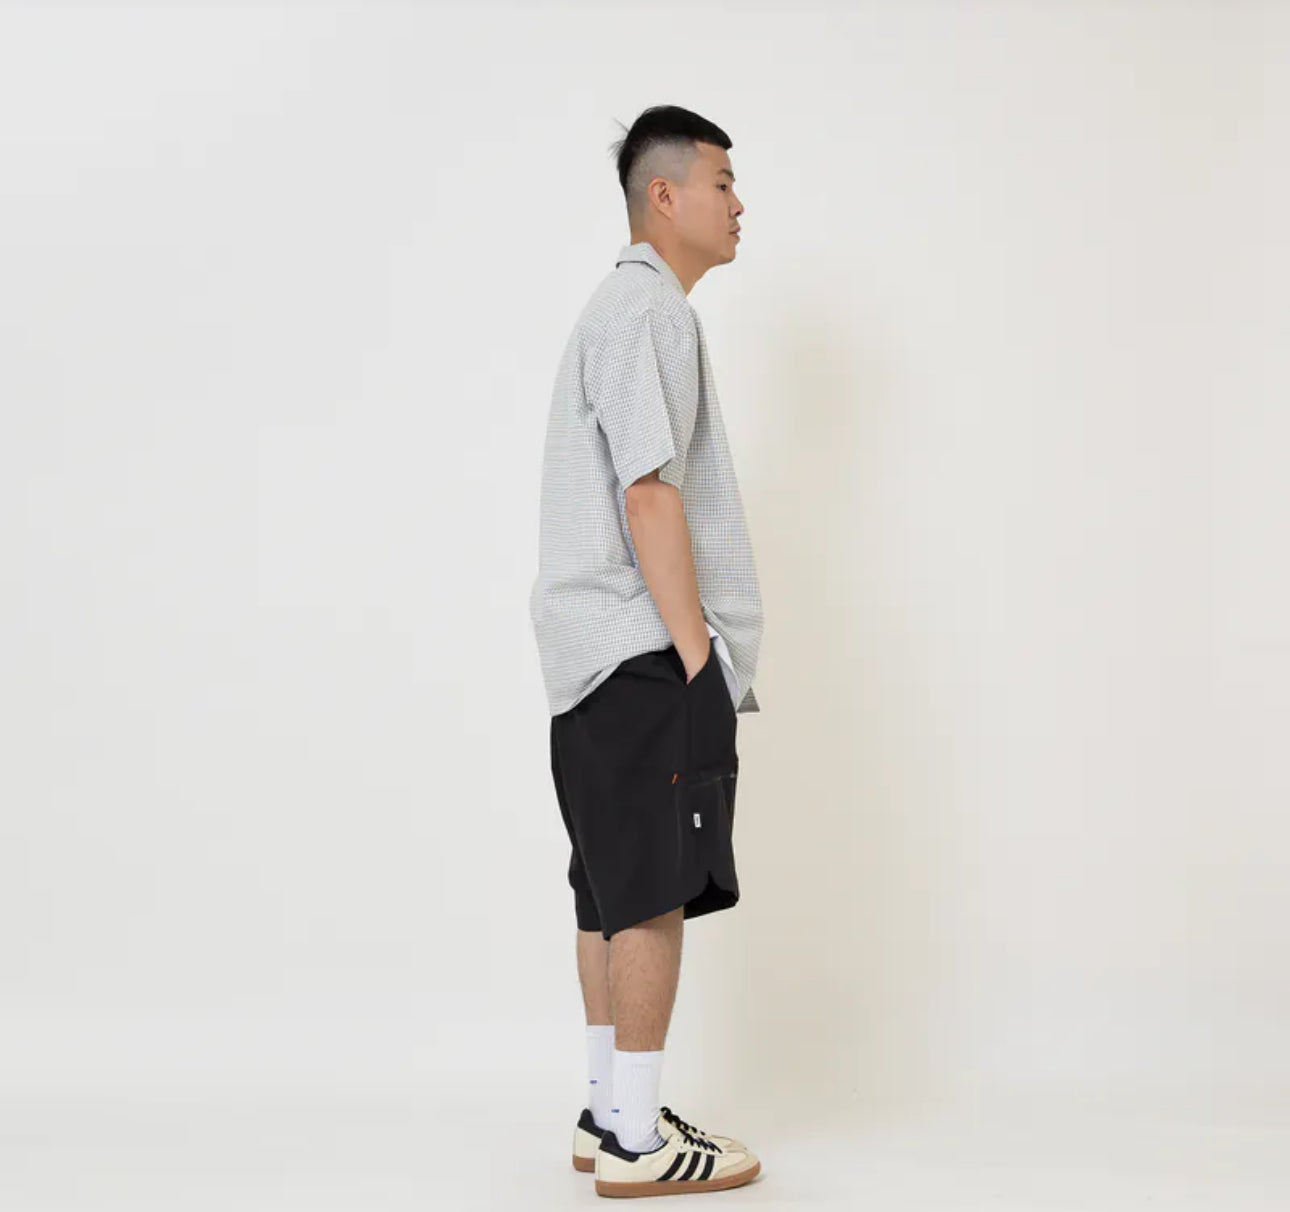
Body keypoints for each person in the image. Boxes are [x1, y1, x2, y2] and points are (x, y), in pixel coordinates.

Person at [529, 104, 764, 1197]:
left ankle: (606, 1111)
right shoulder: (648, 309)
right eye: (722, 181)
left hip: (590, 654)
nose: (739, 203)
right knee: (651, 895)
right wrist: (694, 656)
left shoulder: (620, 309)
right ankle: (635, 1143)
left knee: (610, 890)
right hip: (638, 651)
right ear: (663, 196)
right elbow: (649, 493)